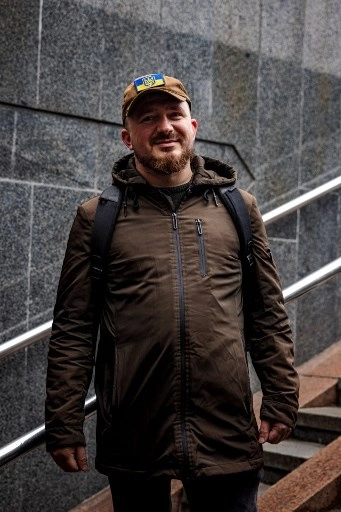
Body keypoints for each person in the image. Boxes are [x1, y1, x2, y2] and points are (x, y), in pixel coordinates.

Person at [45, 73, 299, 512]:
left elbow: (267, 314)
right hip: (134, 427)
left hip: (225, 426)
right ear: (128, 137)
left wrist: (280, 394)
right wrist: (63, 422)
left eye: (174, 114)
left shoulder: (239, 208)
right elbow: (74, 328)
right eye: (148, 118)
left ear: (193, 126)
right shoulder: (97, 217)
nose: (164, 126)